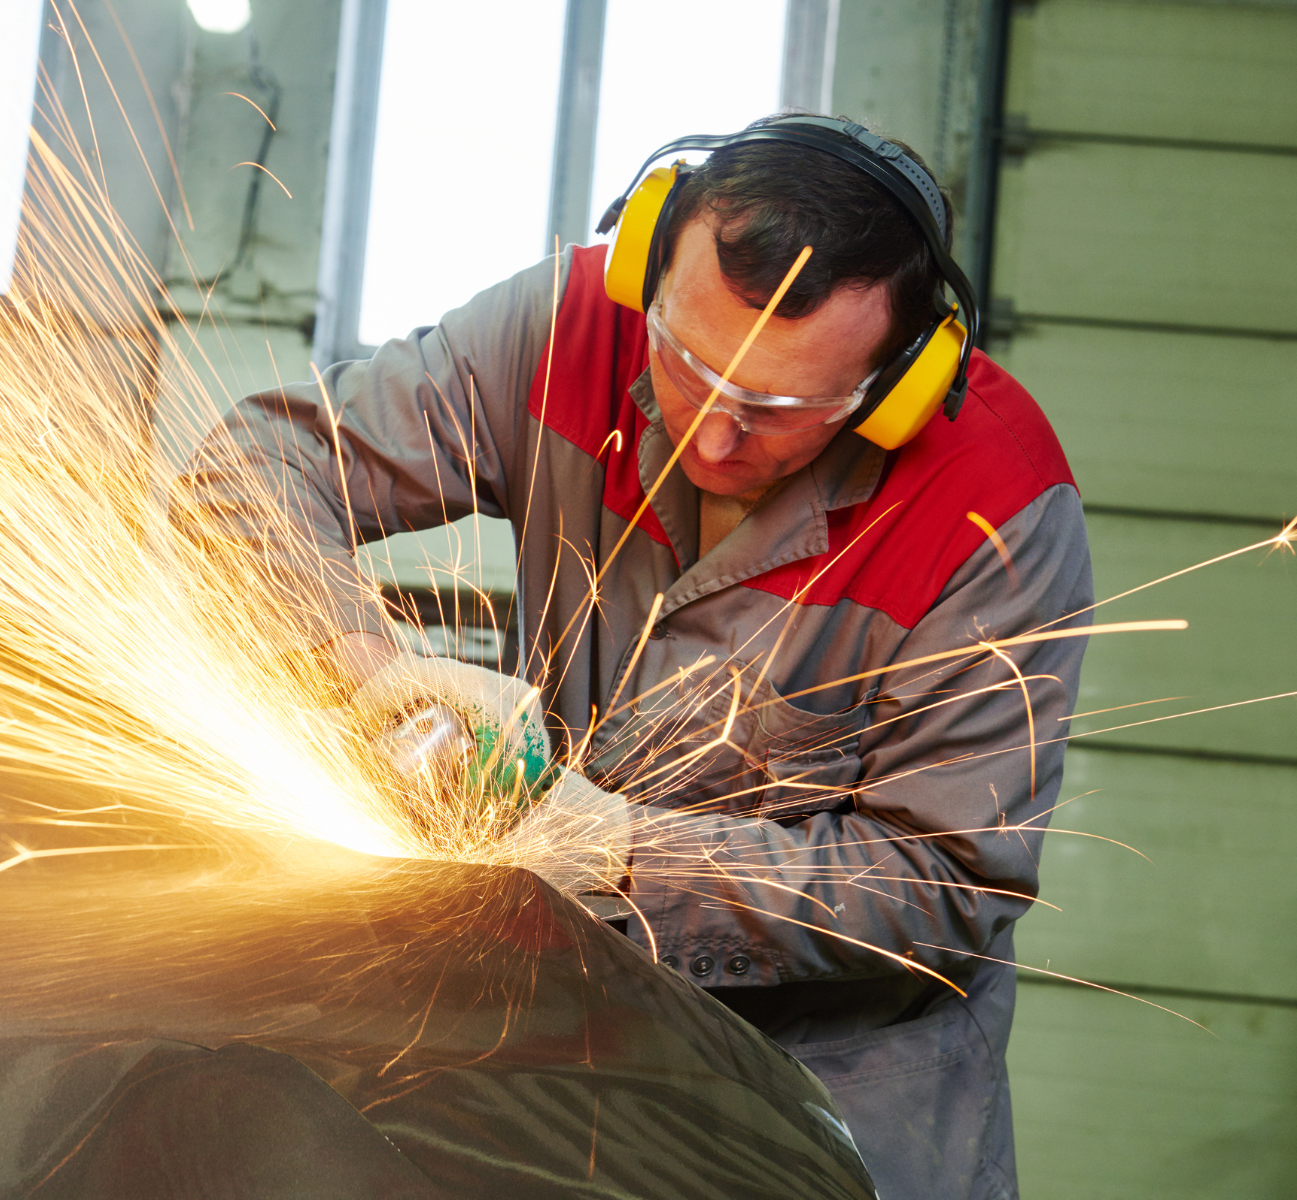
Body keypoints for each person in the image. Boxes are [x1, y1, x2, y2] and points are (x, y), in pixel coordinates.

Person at [174, 114, 1091, 1200]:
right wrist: (365, 662)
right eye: (687, 364)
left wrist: (623, 857)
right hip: (542, 1054)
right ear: (648, 271)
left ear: (894, 388)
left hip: (834, 1107)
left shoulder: (992, 506)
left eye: (778, 411)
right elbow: (258, 467)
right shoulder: (575, 324)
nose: (709, 439)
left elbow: (945, 884)